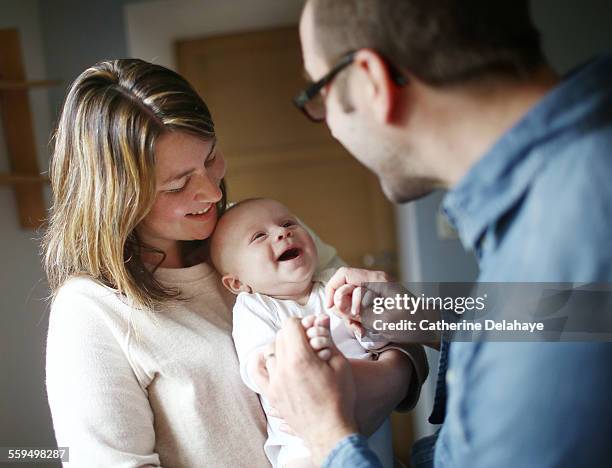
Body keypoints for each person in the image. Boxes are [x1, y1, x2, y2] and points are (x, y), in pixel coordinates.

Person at [254, 1, 612, 467]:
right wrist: (429, 320)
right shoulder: (574, 174)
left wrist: (326, 434)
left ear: (371, 82)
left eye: (318, 94)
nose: (332, 129)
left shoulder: (571, 223)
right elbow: (586, 315)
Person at [42, 58, 426, 467]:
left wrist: (375, 369)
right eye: (177, 185)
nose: (210, 191)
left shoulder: (259, 231)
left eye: (210, 159)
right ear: (115, 198)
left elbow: (403, 350)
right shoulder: (90, 311)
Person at [210, 198, 425, 468]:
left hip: (373, 426)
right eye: (259, 236)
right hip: (303, 445)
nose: (282, 232)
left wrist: (368, 323)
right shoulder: (254, 306)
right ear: (237, 282)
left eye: (288, 223)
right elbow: (256, 366)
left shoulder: (335, 283)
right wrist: (299, 350)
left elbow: (377, 344)